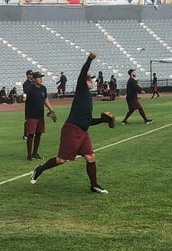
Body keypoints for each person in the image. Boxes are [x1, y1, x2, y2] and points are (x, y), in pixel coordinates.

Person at [30, 52, 113, 194]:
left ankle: (94, 185)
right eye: (90, 80)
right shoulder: (82, 89)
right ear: (85, 82)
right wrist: (89, 59)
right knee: (61, 160)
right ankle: (39, 169)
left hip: (82, 131)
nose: (92, 82)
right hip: (72, 130)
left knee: (90, 156)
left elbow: (86, 121)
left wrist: (102, 120)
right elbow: (83, 72)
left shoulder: (87, 97)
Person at [22, 71, 56, 161]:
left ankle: (35, 153)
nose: (41, 79)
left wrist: (51, 110)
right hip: (31, 115)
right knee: (31, 135)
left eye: (41, 77)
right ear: (34, 79)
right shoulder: (29, 88)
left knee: (39, 134)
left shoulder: (43, 88)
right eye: (39, 77)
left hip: (40, 115)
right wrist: (23, 98)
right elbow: (24, 97)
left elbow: (45, 100)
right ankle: (29, 155)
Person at [22, 69, 34, 140]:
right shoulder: (26, 84)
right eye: (30, 74)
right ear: (27, 75)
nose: (32, 75)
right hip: (29, 104)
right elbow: (26, 93)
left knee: (34, 119)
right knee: (27, 120)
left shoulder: (33, 82)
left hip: (34, 104)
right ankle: (25, 134)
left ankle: (32, 133)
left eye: (32, 74)